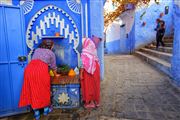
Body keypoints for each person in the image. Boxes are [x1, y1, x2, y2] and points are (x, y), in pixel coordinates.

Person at [19, 40, 59, 120]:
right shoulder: (51, 53)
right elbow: (53, 67)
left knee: (33, 90)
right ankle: (46, 110)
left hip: (29, 70)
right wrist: (56, 75)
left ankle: (36, 113)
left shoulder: (37, 50)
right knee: (44, 89)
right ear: (51, 46)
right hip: (41, 70)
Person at [80, 37, 100, 109]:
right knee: (95, 85)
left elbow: (83, 65)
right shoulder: (93, 51)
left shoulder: (84, 52)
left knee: (88, 86)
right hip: (96, 69)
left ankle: (90, 103)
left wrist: (81, 74)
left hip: (87, 72)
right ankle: (96, 102)